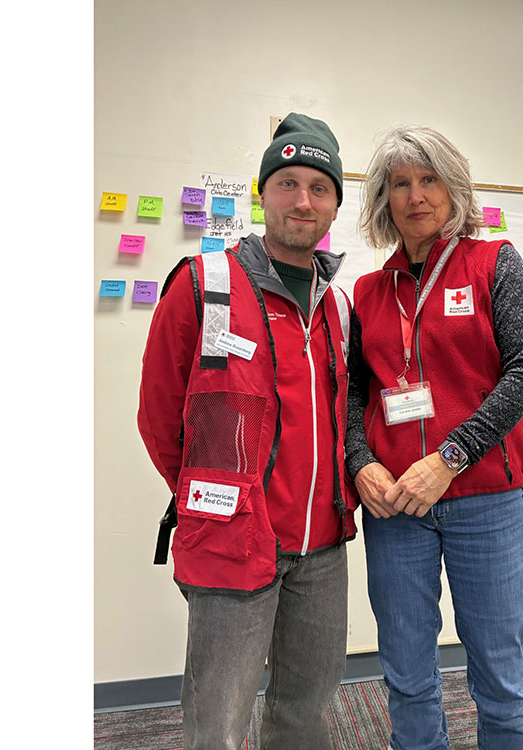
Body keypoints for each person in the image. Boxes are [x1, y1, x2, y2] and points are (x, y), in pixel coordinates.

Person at [137, 112, 358, 750]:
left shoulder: (338, 306)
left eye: (319, 188)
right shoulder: (204, 284)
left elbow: (343, 416)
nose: (302, 200)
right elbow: (159, 415)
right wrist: (213, 496)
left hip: (323, 549)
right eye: (287, 182)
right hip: (233, 543)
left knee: (305, 712)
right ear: (262, 192)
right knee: (219, 723)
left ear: (335, 205)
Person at [346, 124, 523, 750]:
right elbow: (355, 393)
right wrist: (358, 462)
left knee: (499, 676)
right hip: (396, 505)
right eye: (399, 183)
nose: (415, 196)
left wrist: (450, 458)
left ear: (454, 188)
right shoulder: (368, 291)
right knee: (406, 673)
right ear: (384, 200)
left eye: (428, 179)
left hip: (484, 498)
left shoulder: (494, 262)